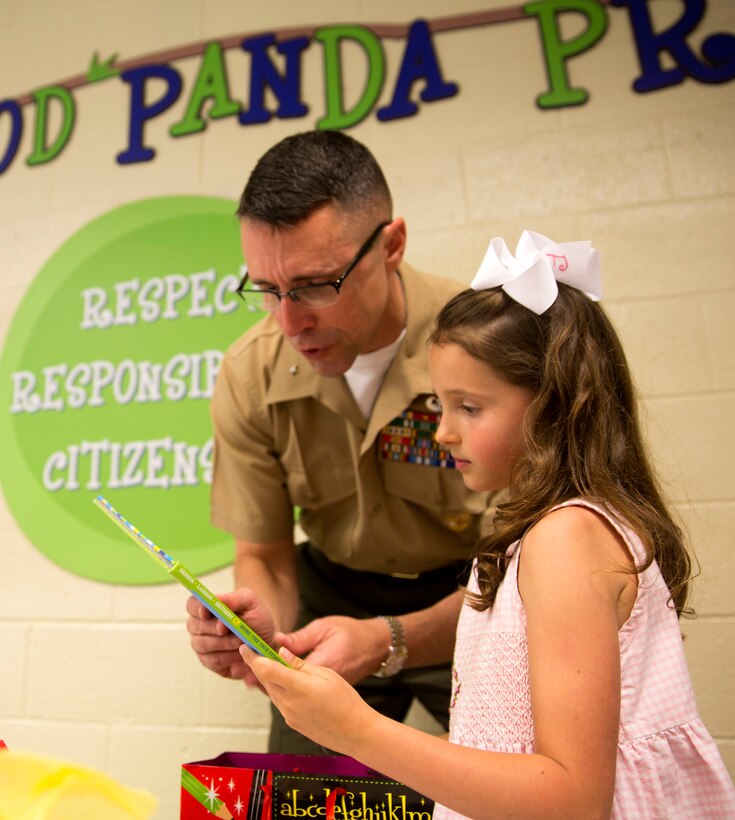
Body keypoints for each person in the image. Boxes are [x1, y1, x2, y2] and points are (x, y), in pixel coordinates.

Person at [241, 231, 735, 818]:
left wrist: (356, 731)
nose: (444, 431)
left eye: (468, 408)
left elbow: (572, 799)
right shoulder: (552, 534)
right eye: (441, 405)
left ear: (553, 403)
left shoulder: (565, 542)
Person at [186, 130, 497, 754]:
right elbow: (268, 554)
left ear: (391, 245)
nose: (289, 322)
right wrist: (262, 627)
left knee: (518, 787)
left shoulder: (489, 346)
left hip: (478, 598)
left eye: (312, 285)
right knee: (300, 799)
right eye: (267, 291)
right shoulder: (249, 372)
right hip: (332, 600)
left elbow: (528, 571)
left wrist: (389, 638)